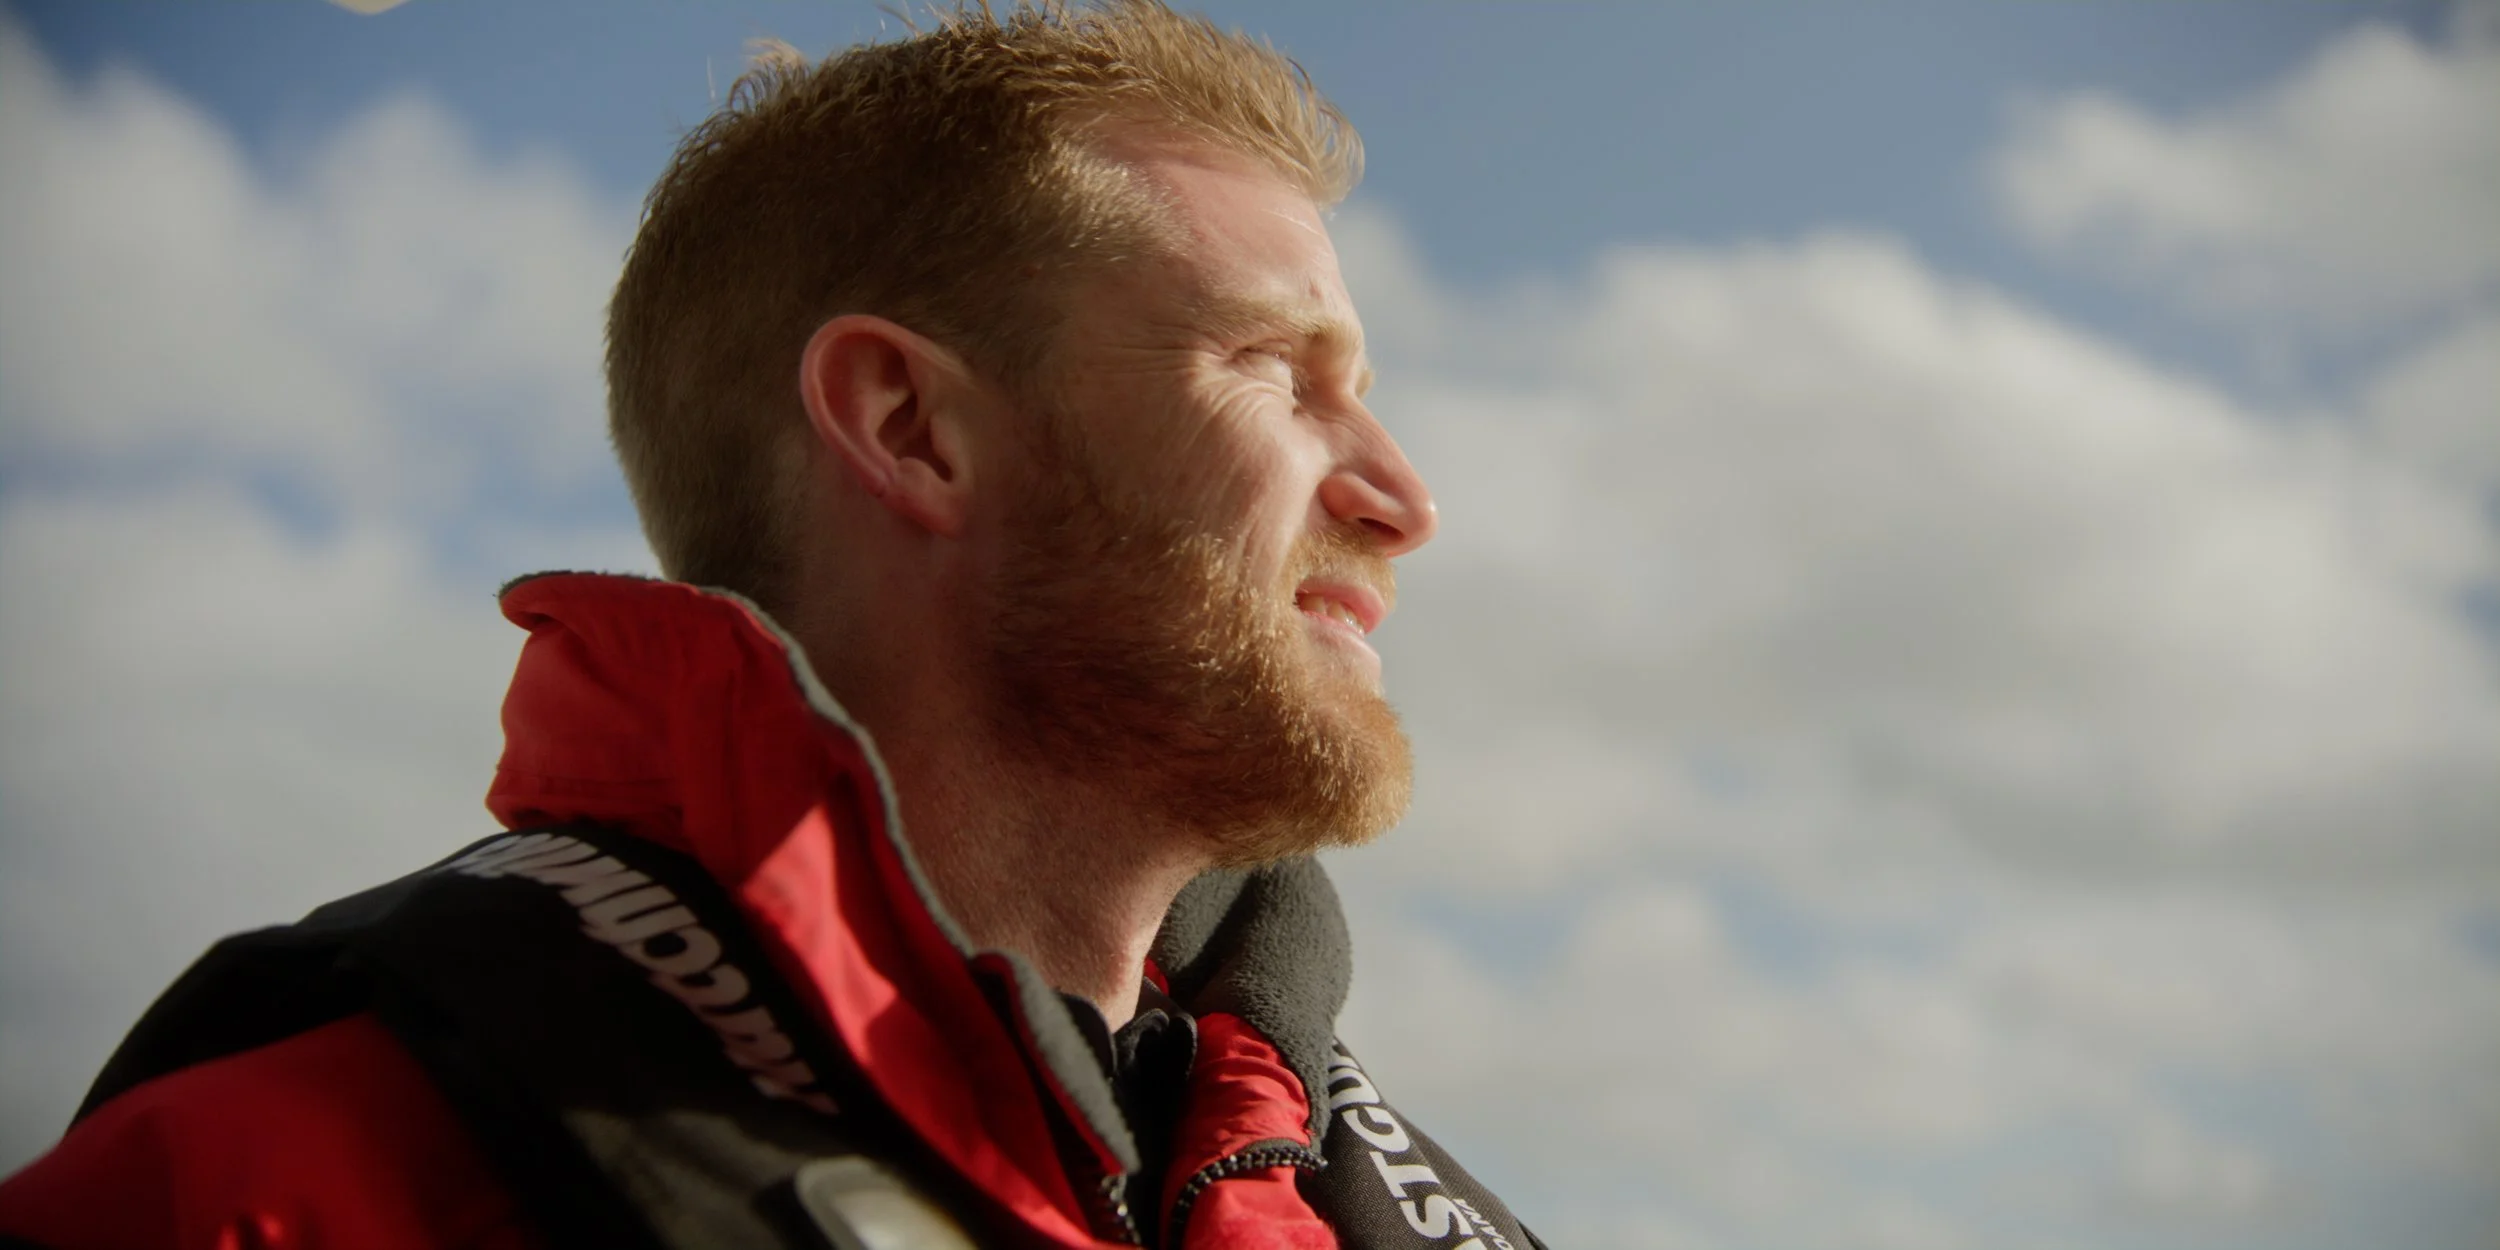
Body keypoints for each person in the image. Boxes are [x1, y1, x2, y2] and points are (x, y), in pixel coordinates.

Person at [0, 4, 1545, 1247]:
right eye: (1277, 365)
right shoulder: (266, 1191)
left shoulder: (1378, 1207)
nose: (1404, 496)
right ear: (909, 426)